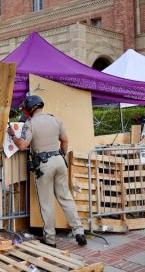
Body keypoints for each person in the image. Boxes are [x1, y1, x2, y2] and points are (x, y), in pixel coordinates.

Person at [8, 95, 86, 247]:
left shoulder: (30, 124)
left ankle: (50, 239)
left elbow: (23, 145)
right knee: (66, 198)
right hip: (59, 160)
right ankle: (79, 232)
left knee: (46, 203)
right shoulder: (56, 120)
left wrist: (13, 136)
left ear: (30, 109)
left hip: (44, 165)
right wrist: (61, 155)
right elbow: (65, 141)